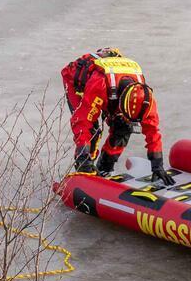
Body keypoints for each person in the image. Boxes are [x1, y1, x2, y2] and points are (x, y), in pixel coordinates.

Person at [62, 48, 171, 186]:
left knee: (124, 127)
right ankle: (85, 171)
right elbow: (83, 122)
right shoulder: (100, 84)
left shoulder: (144, 97)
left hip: (113, 88)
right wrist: (84, 159)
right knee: (92, 131)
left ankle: (105, 168)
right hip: (78, 84)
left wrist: (157, 164)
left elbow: (152, 130)